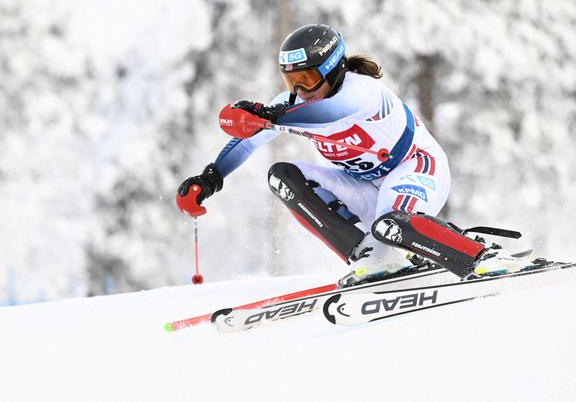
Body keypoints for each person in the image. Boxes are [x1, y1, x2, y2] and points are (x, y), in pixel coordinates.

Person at [177, 24, 532, 287]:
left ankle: (481, 256)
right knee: (282, 175)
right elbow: (248, 141)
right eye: (291, 82)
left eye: (308, 79)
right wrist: (210, 178)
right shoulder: (295, 104)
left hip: (416, 169)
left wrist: (268, 118)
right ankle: (372, 257)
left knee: (391, 223)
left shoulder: (360, 92)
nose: (300, 91)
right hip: (364, 184)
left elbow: (327, 114)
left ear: (333, 69)